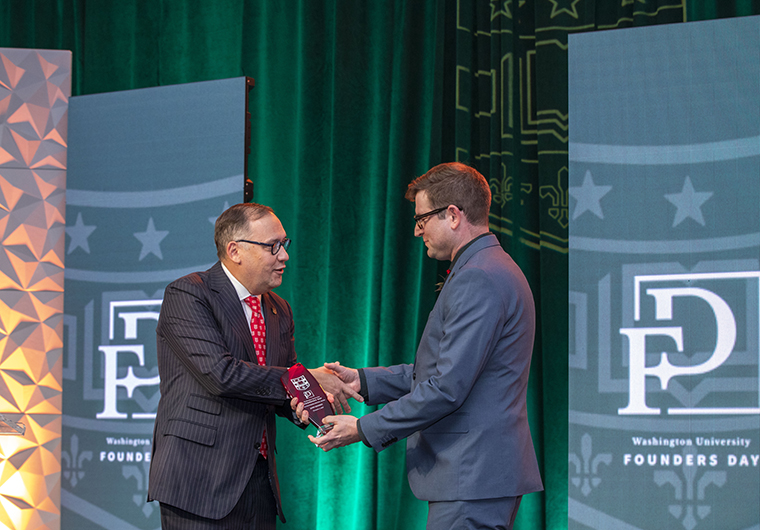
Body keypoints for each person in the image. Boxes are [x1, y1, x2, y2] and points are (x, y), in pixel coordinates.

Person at [295, 163, 543, 529]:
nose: (416, 230)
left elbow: (446, 388)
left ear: (454, 216)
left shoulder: (478, 277)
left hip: (471, 475)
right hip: (474, 476)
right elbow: (443, 372)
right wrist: (361, 380)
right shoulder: (487, 267)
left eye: (422, 219)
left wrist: (363, 428)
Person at [147, 202, 360, 530]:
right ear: (235, 250)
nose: (284, 256)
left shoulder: (279, 309)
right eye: (273, 246)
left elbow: (281, 384)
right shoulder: (189, 294)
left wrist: (307, 403)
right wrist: (303, 379)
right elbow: (221, 375)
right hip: (198, 480)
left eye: (285, 245)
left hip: (258, 482)